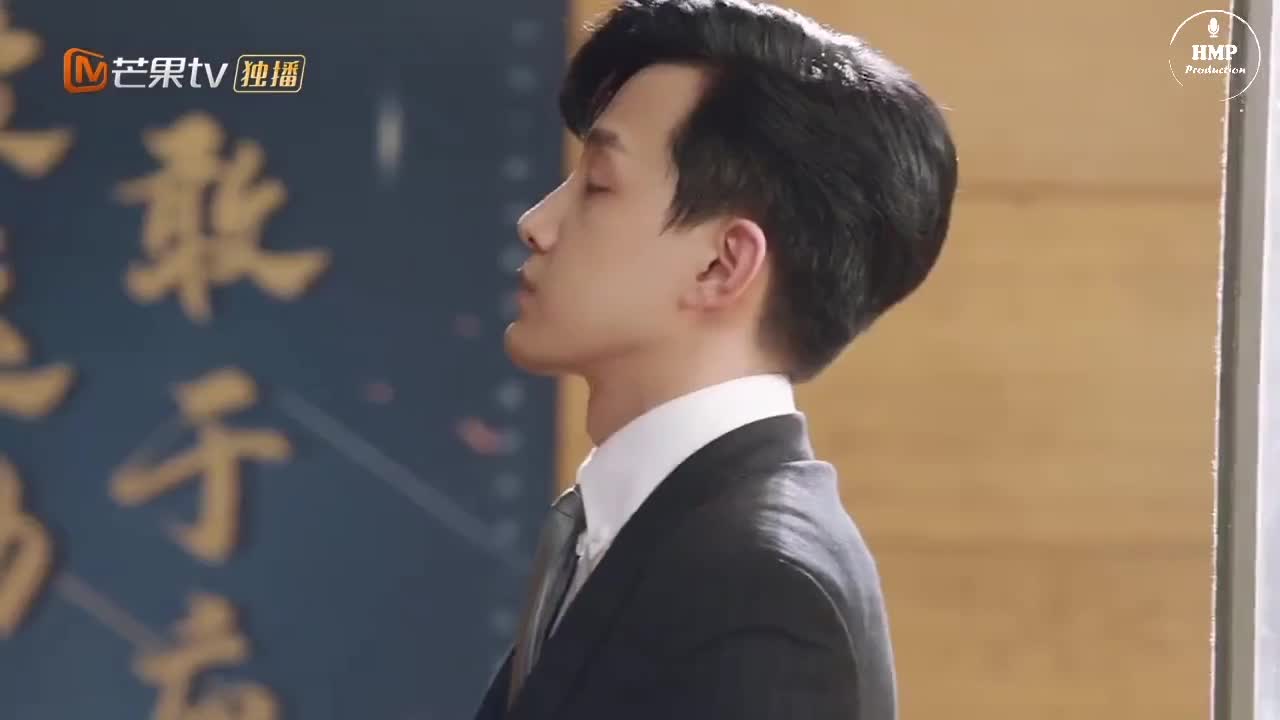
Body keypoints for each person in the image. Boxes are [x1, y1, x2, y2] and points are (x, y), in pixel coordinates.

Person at [474, 0, 956, 718]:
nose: (536, 223)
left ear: (722, 264)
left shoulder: (764, 589)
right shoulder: (654, 533)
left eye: (598, 184)